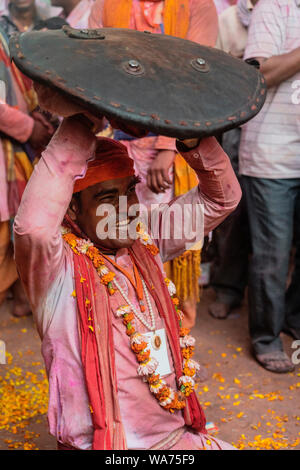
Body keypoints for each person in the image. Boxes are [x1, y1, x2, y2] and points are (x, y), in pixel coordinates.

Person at [13, 84, 241, 450]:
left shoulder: (146, 237)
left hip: (173, 436)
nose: (125, 208)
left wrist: (191, 139)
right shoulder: (56, 267)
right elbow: (33, 228)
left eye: (129, 191)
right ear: (71, 210)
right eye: (106, 198)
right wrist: (85, 117)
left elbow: (222, 198)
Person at [89, 0, 219, 329]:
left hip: (173, 146)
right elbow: (91, 66)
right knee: (114, 237)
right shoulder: (106, 3)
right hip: (114, 145)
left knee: (173, 238)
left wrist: (166, 145)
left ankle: (177, 336)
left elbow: (196, 75)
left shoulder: (197, 4)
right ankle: (127, 334)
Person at [239, 0, 300, 373]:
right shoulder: (276, 6)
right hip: (273, 155)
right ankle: (266, 336)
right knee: (272, 256)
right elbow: (259, 74)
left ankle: (294, 318)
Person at [208, 0, 258, 320]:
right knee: (234, 209)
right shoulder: (227, 21)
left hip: (285, 130)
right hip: (238, 127)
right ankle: (227, 287)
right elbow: (212, 77)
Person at [0, 14, 53, 315]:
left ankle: (23, 294)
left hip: (18, 149)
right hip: (12, 141)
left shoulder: (7, 31)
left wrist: (34, 116)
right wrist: (26, 125)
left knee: (20, 233)